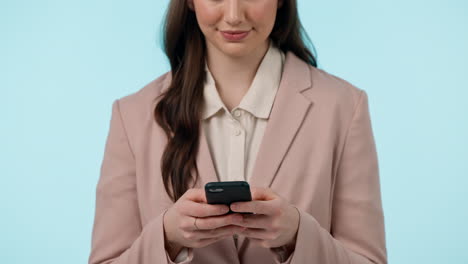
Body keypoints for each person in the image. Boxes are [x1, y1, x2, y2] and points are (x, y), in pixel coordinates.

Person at [88, 0, 387, 263]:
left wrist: (298, 234)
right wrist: (168, 237)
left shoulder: (344, 107)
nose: (233, 15)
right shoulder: (132, 115)